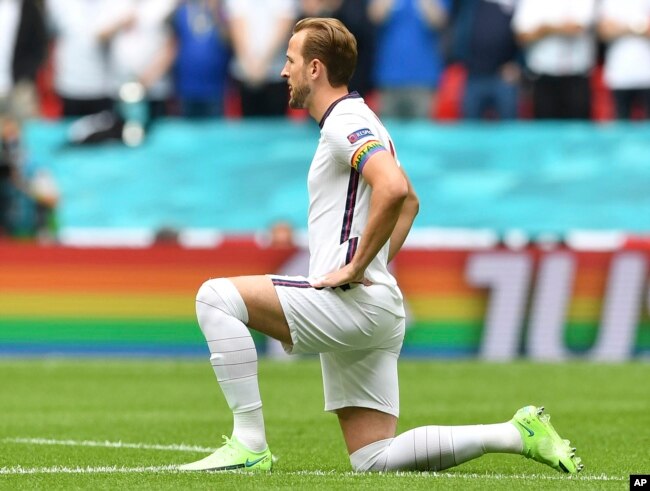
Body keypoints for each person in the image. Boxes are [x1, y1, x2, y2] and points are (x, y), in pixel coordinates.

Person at [179, 18, 584, 475]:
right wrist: (372, 266)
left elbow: (393, 189)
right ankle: (515, 433)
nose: (282, 71)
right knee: (374, 458)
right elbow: (409, 199)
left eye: (289, 61)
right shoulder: (360, 118)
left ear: (315, 69)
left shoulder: (343, 123)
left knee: (215, 297)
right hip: (373, 305)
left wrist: (355, 267)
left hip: (351, 301)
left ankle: (249, 445)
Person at [512, 0, 598, 120]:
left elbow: (577, 28)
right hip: (543, 78)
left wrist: (544, 29)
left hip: (576, 78)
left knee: (578, 133)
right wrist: (559, 27)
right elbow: (521, 35)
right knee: (545, 132)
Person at [369, 0, 449, 119]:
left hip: (423, 78)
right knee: (387, 134)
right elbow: (375, 16)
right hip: (389, 76)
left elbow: (438, 21)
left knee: (422, 133)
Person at [450, 0, 520, 120]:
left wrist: (519, 64)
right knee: (470, 130)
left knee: (510, 129)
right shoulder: (469, 4)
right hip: (473, 75)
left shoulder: (513, 3)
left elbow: (524, 31)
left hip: (503, 76)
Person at [598, 0, 650, 120]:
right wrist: (638, 28)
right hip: (620, 74)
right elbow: (604, 31)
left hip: (647, 73)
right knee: (621, 124)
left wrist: (622, 28)